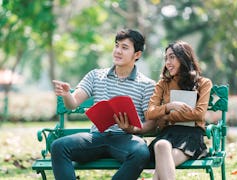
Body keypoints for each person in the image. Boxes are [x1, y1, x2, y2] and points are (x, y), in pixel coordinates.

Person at [51, 29, 156, 180]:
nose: (117, 51)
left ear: (137, 54)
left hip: (125, 140)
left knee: (141, 152)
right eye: (116, 45)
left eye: (124, 47)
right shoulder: (96, 75)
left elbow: (151, 124)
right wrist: (67, 94)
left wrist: (132, 128)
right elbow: (72, 104)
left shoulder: (147, 85)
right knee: (59, 146)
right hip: (96, 137)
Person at [146, 41, 212, 180]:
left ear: (184, 57)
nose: (168, 62)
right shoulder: (163, 84)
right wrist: (169, 106)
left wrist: (168, 117)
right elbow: (150, 113)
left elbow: (199, 113)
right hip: (168, 135)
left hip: (191, 136)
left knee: (160, 172)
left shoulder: (203, 83)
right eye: (166, 58)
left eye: (172, 57)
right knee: (162, 145)